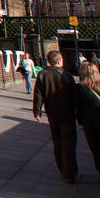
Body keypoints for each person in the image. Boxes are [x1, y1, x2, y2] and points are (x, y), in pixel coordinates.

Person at [32, 50, 79, 183]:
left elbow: (38, 95)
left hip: (52, 114)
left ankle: (62, 168)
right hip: (67, 114)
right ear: (59, 61)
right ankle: (69, 172)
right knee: (69, 143)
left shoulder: (42, 75)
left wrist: (37, 112)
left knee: (57, 142)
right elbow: (74, 95)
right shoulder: (66, 75)